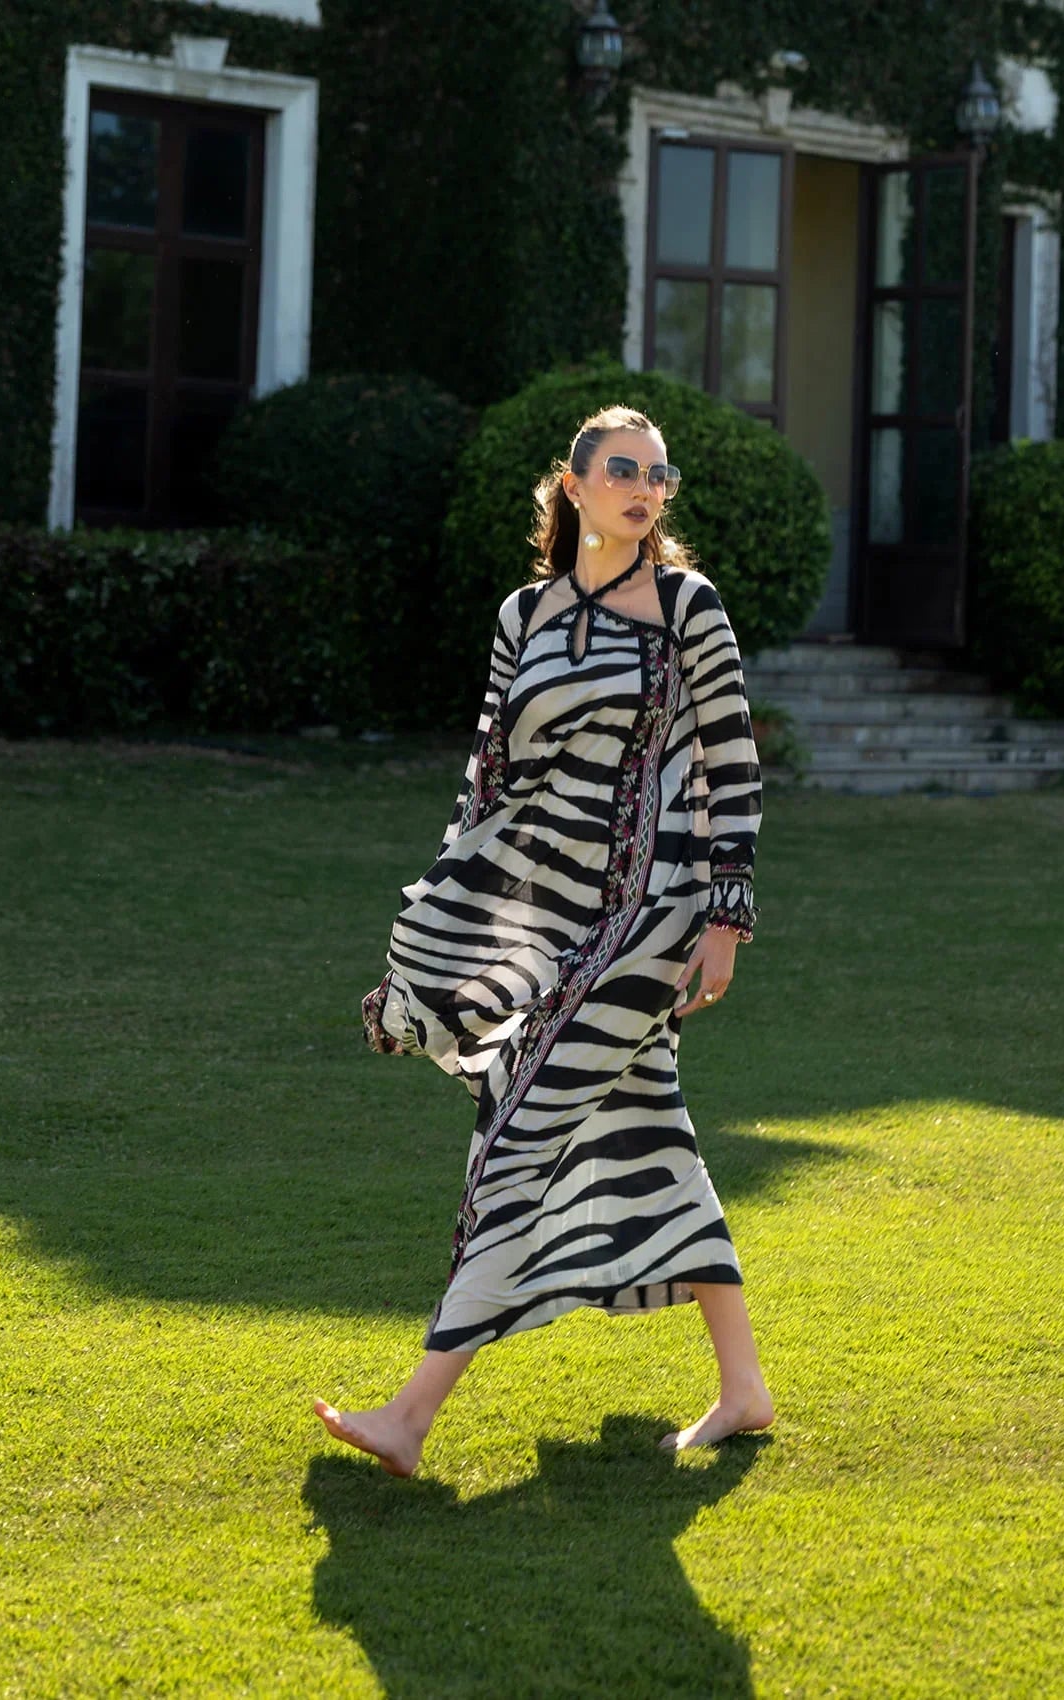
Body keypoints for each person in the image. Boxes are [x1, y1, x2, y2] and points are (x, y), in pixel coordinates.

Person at [315, 404, 774, 1477]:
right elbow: (490, 783)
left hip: (653, 914)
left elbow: (732, 762)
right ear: (571, 486)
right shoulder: (523, 613)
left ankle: (412, 1414)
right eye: (624, 469)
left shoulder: (687, 609)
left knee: (517, 1132)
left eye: (660, 475)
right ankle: (744, 1385)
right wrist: (441, 936)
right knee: (649, 1125)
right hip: (553, 918)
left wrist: (725, 916)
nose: (646, 488)